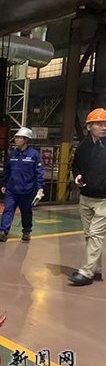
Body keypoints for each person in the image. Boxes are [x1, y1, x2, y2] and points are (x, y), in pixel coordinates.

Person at [69, 108, 106, 286]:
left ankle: (86, 272)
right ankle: (96, 269)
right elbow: (75, 165)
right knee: (89, 235)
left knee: (96, 234)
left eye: (105, 124)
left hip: (104, 199)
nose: (104, 127)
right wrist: (77, 175)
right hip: (85, 197)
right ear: (89, 126)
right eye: (99, 124)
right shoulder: (83, 146)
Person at [0, 128, 45, 243]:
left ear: (26, 140)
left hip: (26, 190)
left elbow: (39, 172)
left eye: (19, 138)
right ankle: (3, 231)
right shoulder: (12, 155)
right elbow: (7, 171)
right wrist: (4, 184)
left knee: (26, 212)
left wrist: (40, 188)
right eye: (16, 137)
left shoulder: (34, 155)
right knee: (8, 210)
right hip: (12, 189)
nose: (16, 140)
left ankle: (26, 231)